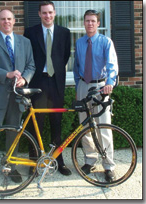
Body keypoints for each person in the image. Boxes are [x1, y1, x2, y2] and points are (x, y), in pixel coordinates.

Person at [0, 9, 36, 195]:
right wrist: (7, 74)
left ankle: (11, 166)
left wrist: (24, 79)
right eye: (3, 19)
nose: (6, 22)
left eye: (9, 19)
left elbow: (31, 66)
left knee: (14, 132)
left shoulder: (24, 42)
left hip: (17, 95)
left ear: (14, 21)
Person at [23, 1, 71, 176]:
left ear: (55, 13)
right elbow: (27, 56)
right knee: (37, 125)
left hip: (56, 83)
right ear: (39, 14)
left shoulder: (64, 33)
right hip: (38, 83)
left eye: (50, 12)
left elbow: (64, 56)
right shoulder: (30, 32)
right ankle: (33, 162)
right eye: (44, 13)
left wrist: (55, 71)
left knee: (56, 123)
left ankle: (58, 160)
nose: (48, 16)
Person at [73, 10, 118, 182]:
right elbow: (77, 66)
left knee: (104, 127)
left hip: (100, 87)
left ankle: (108, 166)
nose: (90, 24)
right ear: (84, 23)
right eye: (87, 21)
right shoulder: (79, 43)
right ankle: (90, 160)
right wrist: (78, 86)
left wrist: (109, 83)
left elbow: (112, 65)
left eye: (93, 21)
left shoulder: (106, 41)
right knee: (85, 125)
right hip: (84, 85)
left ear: (98, 23)